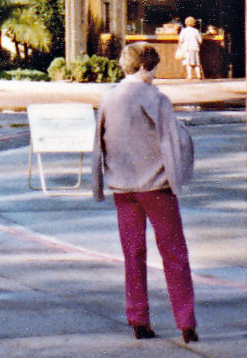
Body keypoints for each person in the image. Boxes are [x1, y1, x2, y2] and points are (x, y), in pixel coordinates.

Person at [92, 43, 199, 344]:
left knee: (133, 254)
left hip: (122, 187)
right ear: (144, 67)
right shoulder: (156, 98)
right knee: (174, 253)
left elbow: (99, 141)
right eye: (153, 68)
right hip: (156, 186)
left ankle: (138, 318)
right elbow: (175, 140)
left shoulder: (108, 98)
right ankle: (186, 322)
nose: (154, 73)